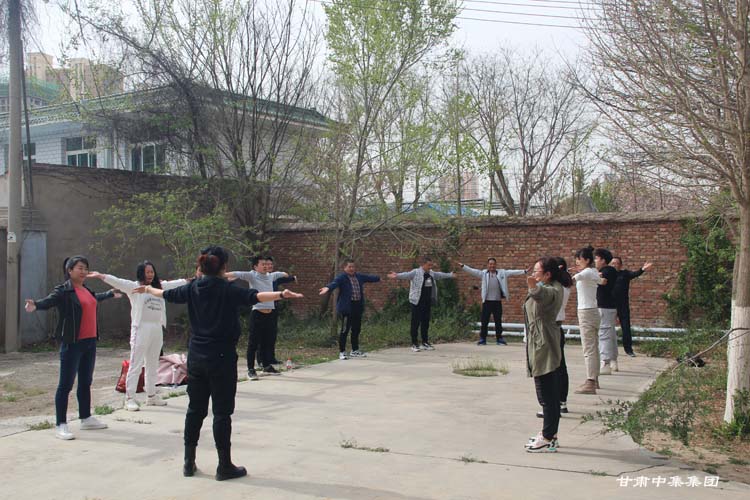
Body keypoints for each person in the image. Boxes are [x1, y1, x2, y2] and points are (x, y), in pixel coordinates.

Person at [135, 246, 302, 481]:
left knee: (195, 410)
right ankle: (224, 466)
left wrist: (147, 288)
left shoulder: (192, 288)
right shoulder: (227, 289)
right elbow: (255, 297)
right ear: (224, 267)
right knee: (222, 413)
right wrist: (282, 295)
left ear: (202, 266)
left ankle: (188, 462)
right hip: (222, 358)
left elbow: (165, 294)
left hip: (196, 357)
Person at [24, 255, 120, 440]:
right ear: (70, 270)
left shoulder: (86, 290)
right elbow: (49, 301)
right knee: (65, 385)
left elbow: (94, 299)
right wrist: (35, 305)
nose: (83, 271)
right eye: (80, 268)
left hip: (90, 342)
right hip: (72, 343)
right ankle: (61, 424)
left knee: (85, 382)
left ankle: (86, 418)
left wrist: (109, 294)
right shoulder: (64, 291)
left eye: (86, 268)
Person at [88, 262, 188, 411]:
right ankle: (130, 398)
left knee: (153, 364)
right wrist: (101, 276)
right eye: (147, 272)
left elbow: (176, 283)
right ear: (141, 273)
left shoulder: (159, 287)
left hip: (156, 328)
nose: (150, 274)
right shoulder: (134, 287)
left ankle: (151, 396)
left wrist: (192, 279)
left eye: (152, 271)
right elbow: (118, 282)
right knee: (136, 363)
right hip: (141, 328)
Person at [523, 257, 564, 453]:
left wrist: (534, 286)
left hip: (544, 344)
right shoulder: (549, 285)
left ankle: (548, 437)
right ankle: (550, 434)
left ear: (547, 274)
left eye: (536, 271)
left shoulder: (552, 290)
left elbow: (542, 295)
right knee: (547, 392)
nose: (533, 274)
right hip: (539, 341)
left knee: (547, 393)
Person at [226, 256, 290, 380]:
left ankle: (266, 365)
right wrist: (218, 274)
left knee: (267, 341)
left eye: (266, 264)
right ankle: (251, 369)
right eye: (262, 264)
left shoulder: (271, 276)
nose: (266, 266)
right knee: (253, 343)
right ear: (255, 267)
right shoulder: (252, 275)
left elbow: (283, 274)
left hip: (270, 314)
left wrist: (284, 274)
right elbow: (235, 273)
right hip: (257, 314)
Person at [387, 256, 455, 352]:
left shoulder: (431, 273)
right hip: (417, 301)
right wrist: (397, 275)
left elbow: (440, 275)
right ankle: (414, 344)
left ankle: (425, 342)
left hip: (427, 302)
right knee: (415, 323)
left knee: (425, 322)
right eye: (428, 265)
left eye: (431, 265)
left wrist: (450, 275)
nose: (430, 267)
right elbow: (406, 275)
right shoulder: (416, 272)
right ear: (423, 264)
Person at [319, 259, 381, 359]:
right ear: (345, 268)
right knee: (345, 330)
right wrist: (327, 288)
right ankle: (342, 352)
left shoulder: (359, 276)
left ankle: (355, 350)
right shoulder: (342, 277)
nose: (352, 269)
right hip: (347, 307)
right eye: (350, 267)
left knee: (356, 329)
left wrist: (380, 278)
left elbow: (370, 278)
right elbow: (334, 283)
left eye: (353, 267)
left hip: (357, 306)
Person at [456, 258, 526, 345]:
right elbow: (473, 271)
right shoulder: (484, 274)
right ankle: (483, 338)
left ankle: (499, 338)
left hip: (497, 302)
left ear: (496, 265)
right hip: (487, 302)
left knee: (498, 321)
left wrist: (524, 271)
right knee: (484, 321)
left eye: (493, 264)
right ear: (488, 265)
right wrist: (463, 266)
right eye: (490, 264)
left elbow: (512, 272)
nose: (492, 266)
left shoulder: (501, 273)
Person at [535, 257, 571, 418]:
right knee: (559, 367)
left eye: (538, 271)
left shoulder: (553, 289)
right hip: (556, 328)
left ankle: (550, 405)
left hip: (549, 329)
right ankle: (561, 402)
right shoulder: (563, 286)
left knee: (548, 370)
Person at [572, 246, 603, 395]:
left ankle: (590, 381)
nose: (577, 262)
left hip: (586, 312)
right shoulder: (593, 271)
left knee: (589, 348)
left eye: (579, 259)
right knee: (594, 347)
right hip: (593, 311)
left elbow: (572, 280)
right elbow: (600, 281)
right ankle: (594, 379)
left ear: (586, 260)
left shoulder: (587, 272)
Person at [612, 257, 652, 357]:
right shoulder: (607, 274)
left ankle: (628, 349)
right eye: (612, 263)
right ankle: (608, 349)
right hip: (609, 304)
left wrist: (642, 269)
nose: (614, 265)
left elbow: (635, 274)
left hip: (623, 305)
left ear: (620, 265)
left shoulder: (624, 274)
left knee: (626, 328)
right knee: (607, 328)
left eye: (616, 263)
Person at [268, 256, 297, 365]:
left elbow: (282, 278)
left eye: (271, 264)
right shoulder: (259, 278)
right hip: (262, 308)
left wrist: (292, 278)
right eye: (267, 264)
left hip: (274, 307)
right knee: (262, 335)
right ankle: (261, 359)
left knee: (272, 333)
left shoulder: (274, 278)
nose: (269, 266)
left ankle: (271, 358)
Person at [594, 248, 619, 375]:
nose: (594, 261)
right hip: (607, 307)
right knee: (610, 333)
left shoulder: (608, 271)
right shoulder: (607, 271)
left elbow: (600, 279)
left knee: (604, 333)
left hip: (605, 307)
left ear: (603, 260)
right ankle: (613, 360)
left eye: (596, 258)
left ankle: (605, 362)